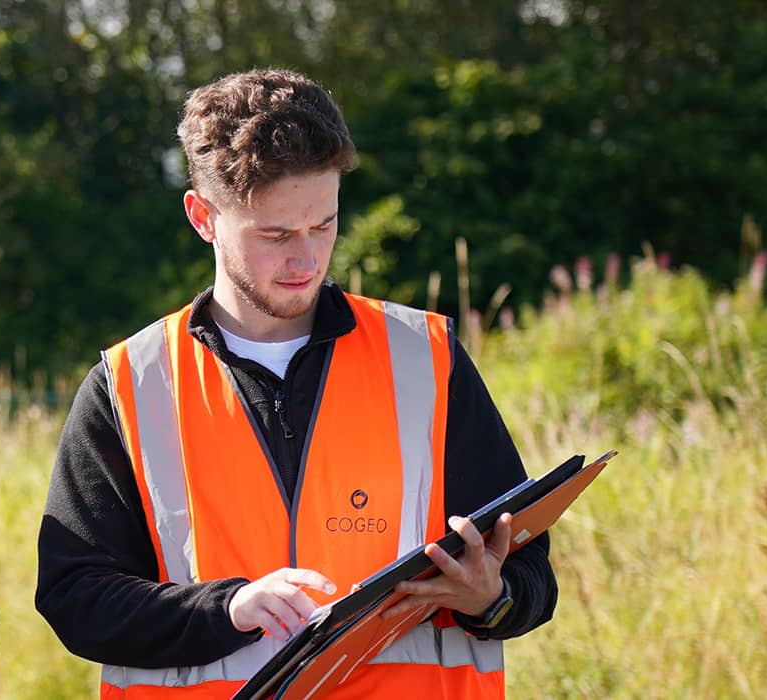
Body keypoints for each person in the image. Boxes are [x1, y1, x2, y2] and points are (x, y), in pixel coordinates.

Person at [35, 69, 557, 698]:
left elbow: (529, 577)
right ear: (202, 217)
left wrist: (490, 595)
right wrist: (224, 611)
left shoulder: (429, 359)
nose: (306, 259)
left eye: (324, 226)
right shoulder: (127, 385)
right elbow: (74, 598)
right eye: (275, 234)